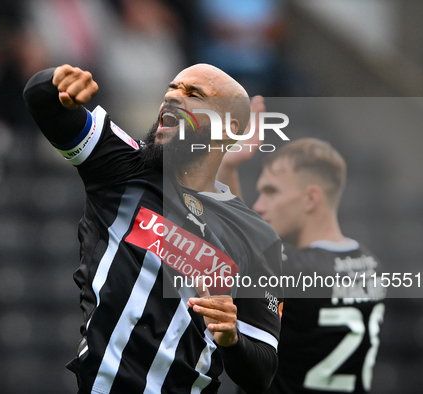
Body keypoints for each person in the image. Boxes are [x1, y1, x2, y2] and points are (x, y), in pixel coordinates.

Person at [23, 63, 282, 393]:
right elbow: (41, 100)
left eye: (193, 94)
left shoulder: (260, 238)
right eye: (172, 89)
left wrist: (232, 339)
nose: (173, 98)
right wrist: (56, 82)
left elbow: (262, 371)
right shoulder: (123, 168)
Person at [218, 137, 385, 394]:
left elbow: (243, 240)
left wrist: (226, 167)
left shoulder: (295, 270)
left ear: (311, 199)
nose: (258, 206)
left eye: (271, 192)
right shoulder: (372, 265)